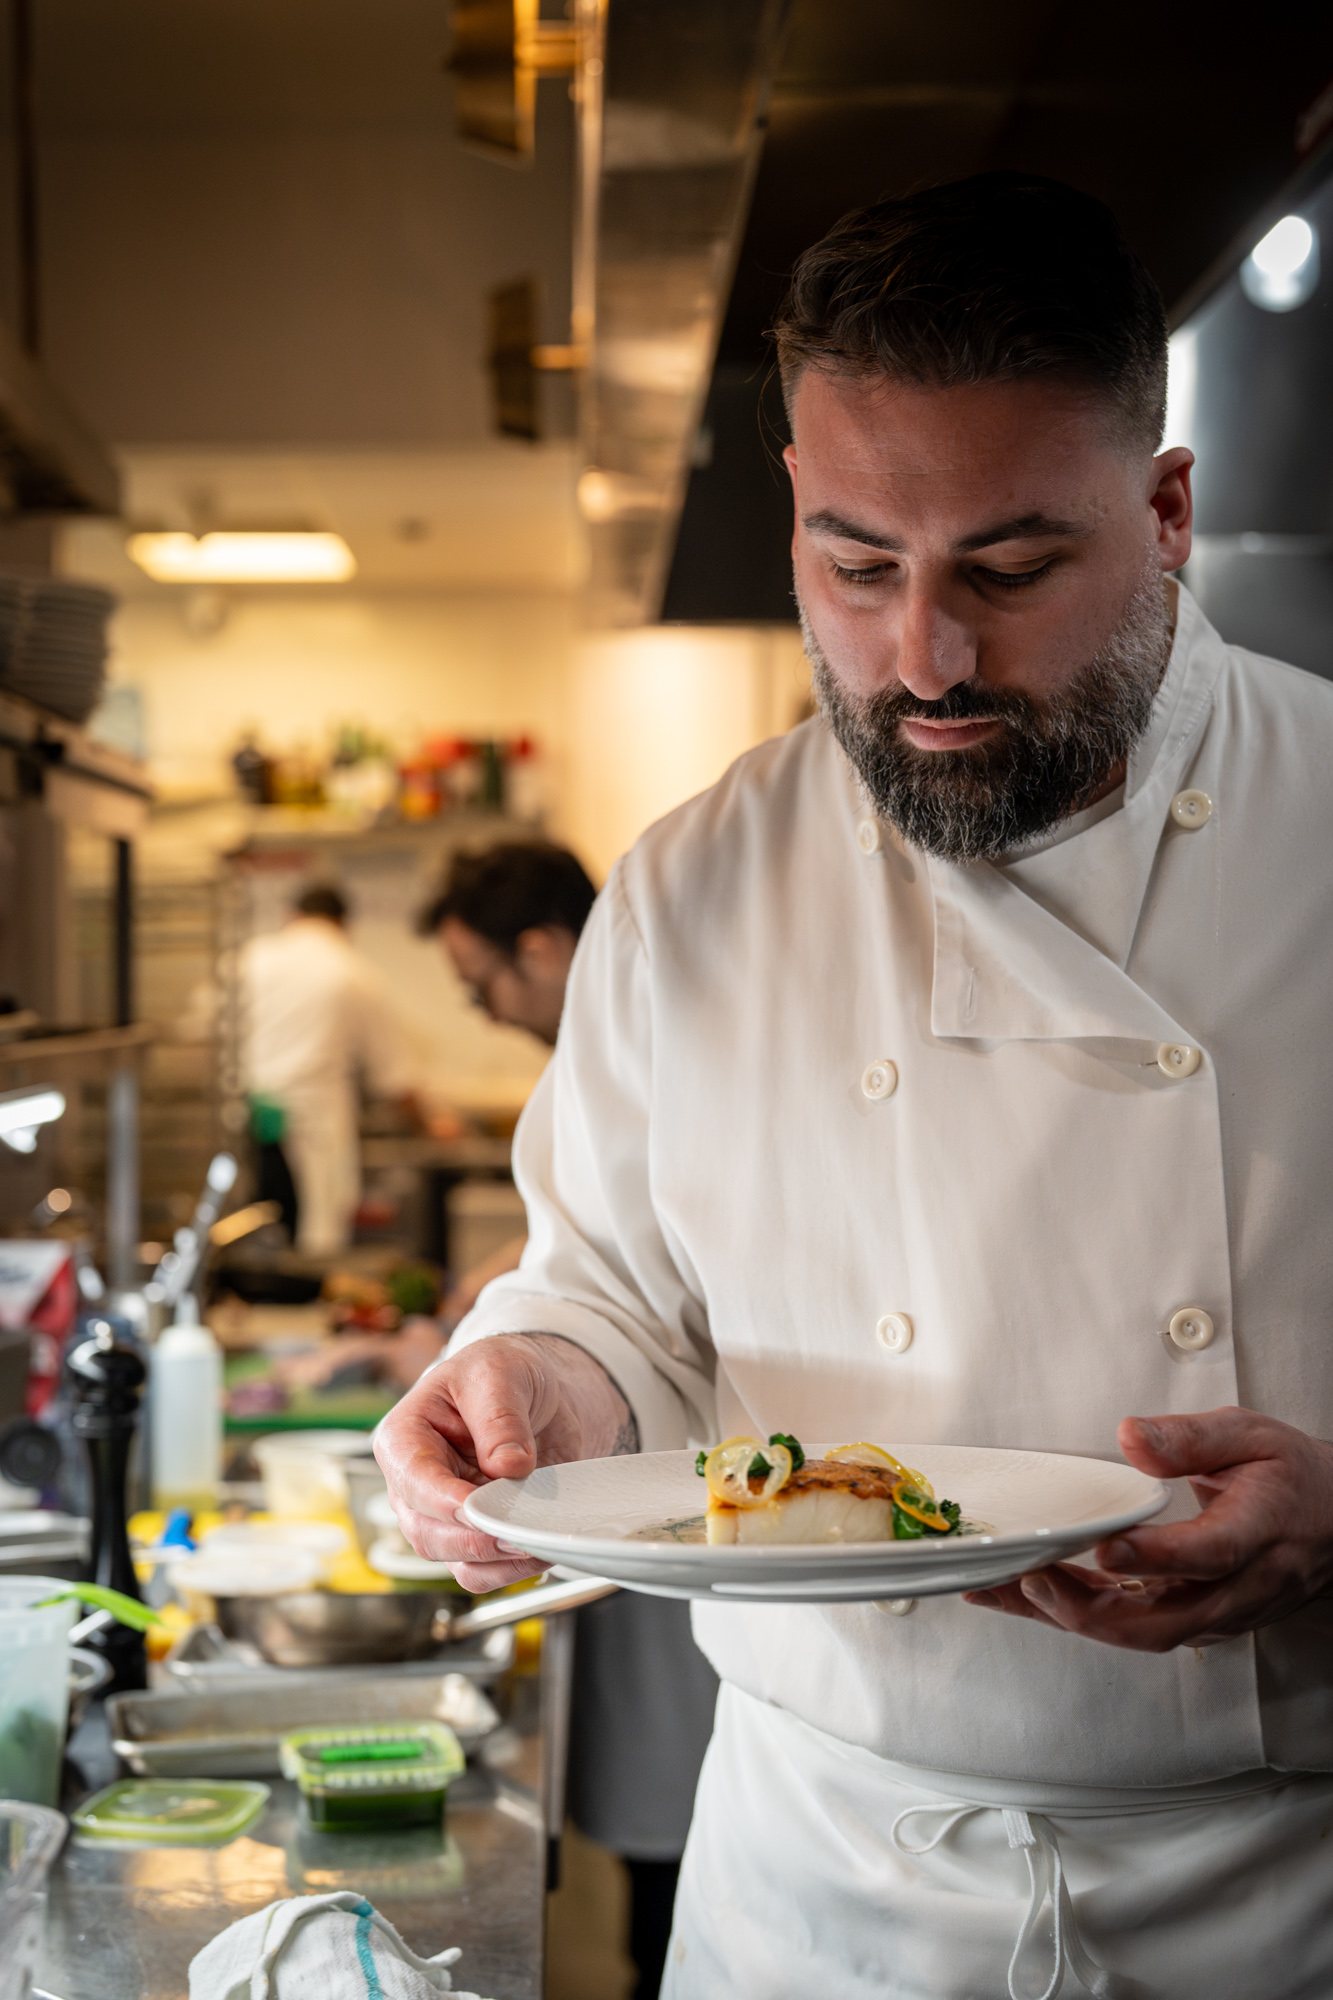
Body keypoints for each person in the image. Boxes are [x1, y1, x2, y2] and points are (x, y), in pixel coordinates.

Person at [374, 172, 1333, 2000]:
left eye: (1011, 566)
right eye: (855, 565)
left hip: (1282, 1890)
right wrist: (534, 1387)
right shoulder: (688, 885)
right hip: (825, 1893)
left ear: (1165, 511)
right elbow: (611, 1299)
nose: (924, 660)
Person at [419, 839, 719, 2000]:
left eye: (480, 981)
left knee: (678, 1837)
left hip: (691, 1504)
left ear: (541, 950)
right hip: (630, 1489)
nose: (481, 1009)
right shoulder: (603, 1047)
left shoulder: (673, 1001)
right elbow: (608, 1255)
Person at [240, 882, 458, 1258]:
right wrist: (431, 1122)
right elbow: (395, 1076)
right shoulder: (351, 971)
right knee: (310, 1244)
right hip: (310, 1129)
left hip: (244, 1118)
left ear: (291, 917)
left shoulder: (249, 959)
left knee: (247, 1234)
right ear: (344, 924)